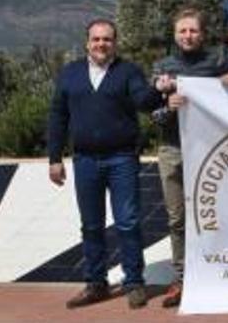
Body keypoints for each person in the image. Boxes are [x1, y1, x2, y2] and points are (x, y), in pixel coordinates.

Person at [47, 19, 162, 310]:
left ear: (115, 43)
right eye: (96, 39)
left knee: (128, 222)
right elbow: (58, 116)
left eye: (107, 39)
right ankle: (95, 283)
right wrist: (54, 158)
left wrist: (158, 90)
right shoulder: (70, 73)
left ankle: (134, 282)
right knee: (91, 225)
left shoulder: (128, 72)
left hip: (121, 158)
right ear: (87, 42)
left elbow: (143, 101)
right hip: (84, 160)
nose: (101, 44)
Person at [149, 8, 221, 308]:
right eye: (182, 31)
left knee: (213, 216)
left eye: (193, 31)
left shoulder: (216, 63)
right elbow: (152, 114)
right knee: (178, 219)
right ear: (175, 34)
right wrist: (170, 108)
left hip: (209, 150)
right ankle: (181, 278)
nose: (188, 36)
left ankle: (214, 273)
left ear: (202, 34)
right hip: (172, 149)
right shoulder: (162, 67)